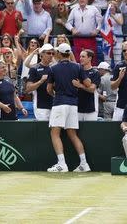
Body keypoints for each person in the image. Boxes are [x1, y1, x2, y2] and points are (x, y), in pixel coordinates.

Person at [46, 43, 91, 172]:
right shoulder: (78, 67)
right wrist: (78, 84)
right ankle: (84, 164)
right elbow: (88, 84)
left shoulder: (53, 68)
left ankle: (62, 164)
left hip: (60, 103)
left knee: (55, 134)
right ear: (69, 53)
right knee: (72, 134)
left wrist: (55, 94)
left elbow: (48, 89)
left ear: (59, 54)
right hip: (73, 105)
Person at [65, 0, 102, 65]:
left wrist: (97, 30)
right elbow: (68, 23)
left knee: (91, 58)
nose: (82, 0)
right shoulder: (74, 10)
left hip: (90, 38)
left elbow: (100, 21)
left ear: (87, 0)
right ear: (77, 1)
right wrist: (72, 29)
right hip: (78, 38)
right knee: (79, 59)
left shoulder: (93, 9)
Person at [26, 44, 55, 121]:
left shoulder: (54, 68)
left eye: (52, 53)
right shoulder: (34, 68)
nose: (51, 55)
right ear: (41, 54)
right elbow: (28, 89)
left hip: (54, 105)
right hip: (41, 105)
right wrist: (40, 81)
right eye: (48, 53)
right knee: (43, 129)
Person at [74, 50, 100, 121]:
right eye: (80, 57)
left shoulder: (95, 73)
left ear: (90, 58)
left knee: (90, 131)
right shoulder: (77, 71)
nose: (80, 58)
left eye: (83, 56)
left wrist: (80, 85)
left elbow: (92, 89)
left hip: (91, 108)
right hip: (77, 108)